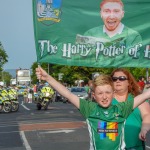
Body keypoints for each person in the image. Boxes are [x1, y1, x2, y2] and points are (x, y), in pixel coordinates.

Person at [36, 66, 150, 150]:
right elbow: (68, 94)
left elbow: (145, 95)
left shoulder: (121, 109)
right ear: (94, 96)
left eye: (107, 92)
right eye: (100, 93)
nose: (104, 97)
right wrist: (48, 78)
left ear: (113, 93)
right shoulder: (89, 108)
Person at [76, 0, 142, 64]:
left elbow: (133, 63)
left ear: (122, 14)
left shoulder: (134, 36)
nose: (111, 16)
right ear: (101, 14)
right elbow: (82, 60)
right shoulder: (90, 33)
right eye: (106, 11)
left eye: (116, 11)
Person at [111, 68, 150, 150]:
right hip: (113, 146)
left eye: (121, 78)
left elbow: (147, 115)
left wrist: (144, 129)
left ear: (129, 82)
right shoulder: (106, 99)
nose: (118, 81)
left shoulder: (138, 98)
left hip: (135, 146)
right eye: (114, 79)